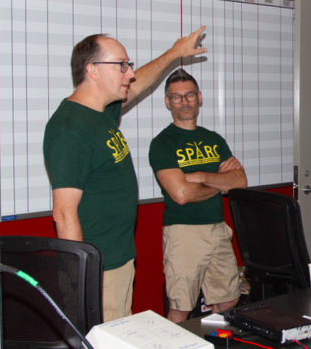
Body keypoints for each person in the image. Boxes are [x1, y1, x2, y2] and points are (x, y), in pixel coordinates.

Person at [43, 27, 207, 322]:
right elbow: (64, 214)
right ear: (92, 70)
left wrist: (174, 53)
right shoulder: (70, 129)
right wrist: (83, 281)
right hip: (98, 271)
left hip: (117, 261)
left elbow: (139, 84)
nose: (129, 73)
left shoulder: (100, 113)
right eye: (121, 65)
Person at [149, 69, 247, 322]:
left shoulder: (214, 139)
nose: (184, 102)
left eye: (190, 95)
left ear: (200, 97)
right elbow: (181, 194)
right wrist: (219, 182)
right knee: (182, 306)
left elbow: (239, 182)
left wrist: (201, 177)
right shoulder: (163, 143)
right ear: (168, 102)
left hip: (217, 229)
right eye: (177, 97)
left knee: (228, 299)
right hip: (184, 232)